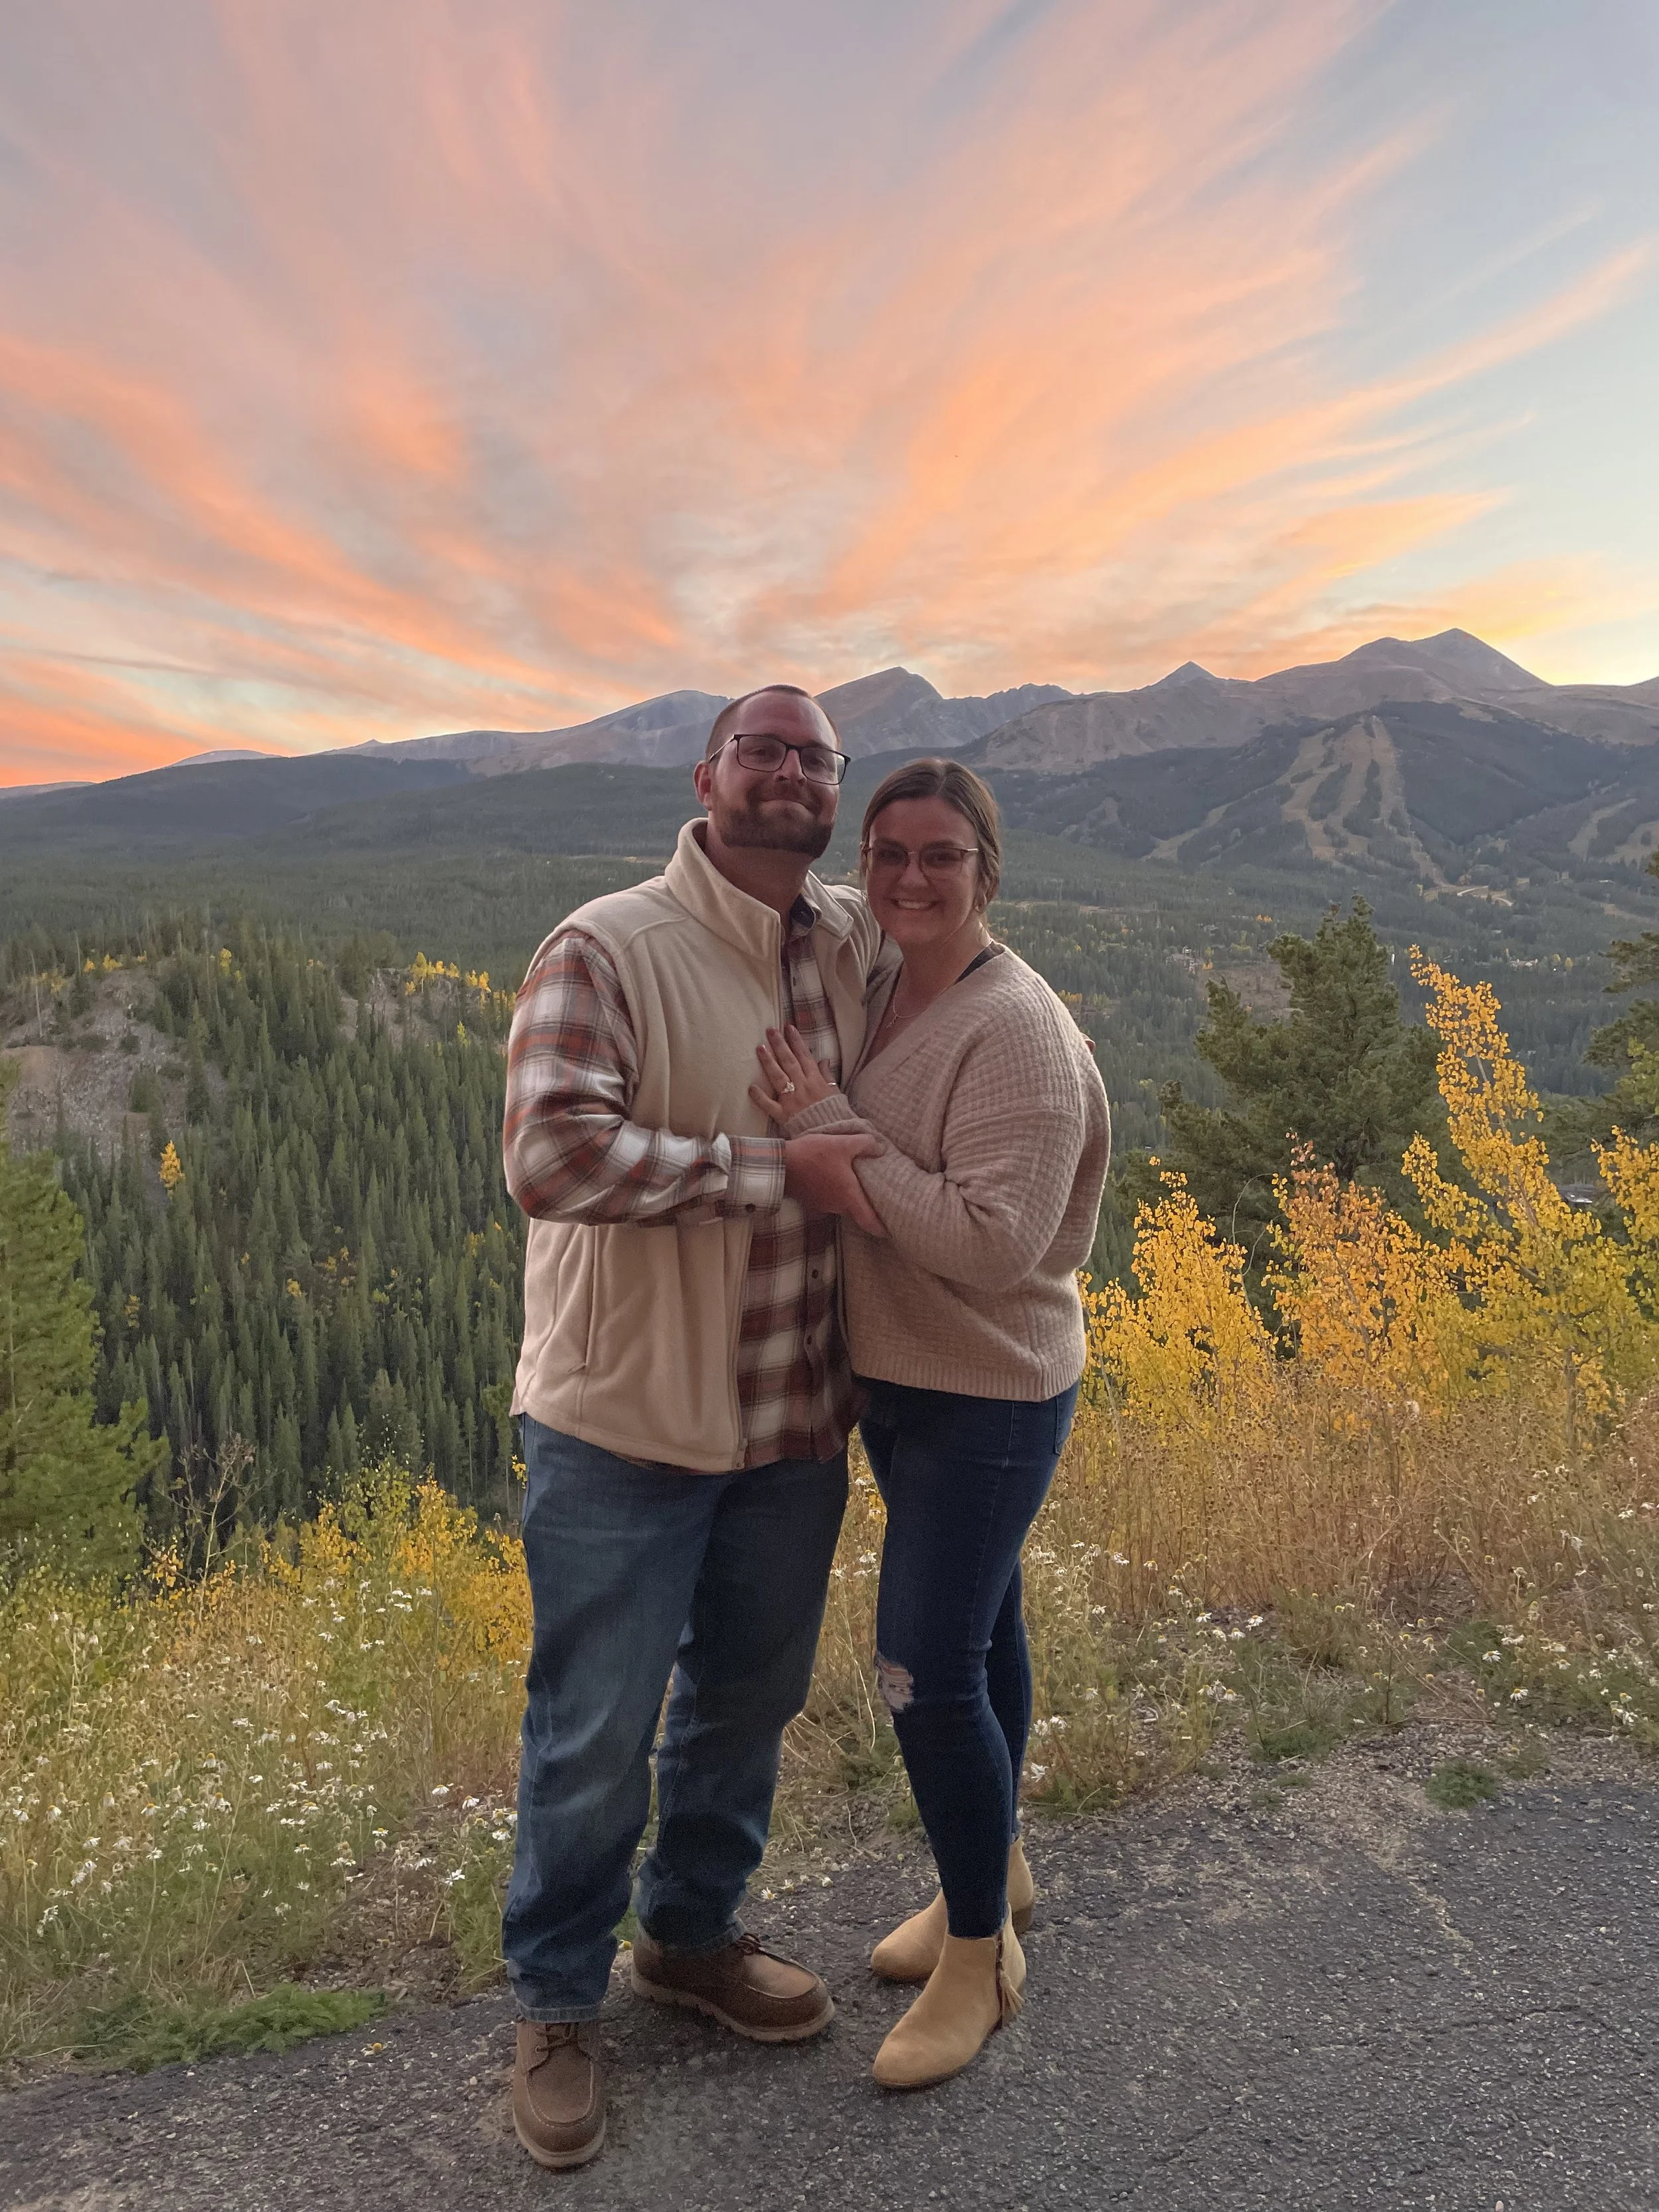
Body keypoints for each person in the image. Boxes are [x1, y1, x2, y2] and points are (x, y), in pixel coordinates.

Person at [499, 684, 887, 2170]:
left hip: (794, 1418)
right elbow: (551, 1153)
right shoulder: (607, 944)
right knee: (594, 1732)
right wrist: (772, 1168)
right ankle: (553, 2000)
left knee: (744, 1701)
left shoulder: (846, 937)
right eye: (762, 748)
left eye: (813, 757)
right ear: (706, 773)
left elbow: (956, 936)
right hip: (627, 1422)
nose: (789, 771)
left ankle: (691, 1935)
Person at [751, 757, 1110, 2091]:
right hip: (902, 1380)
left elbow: (990, 1236)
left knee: (921, 1666)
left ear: (985, 869)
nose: (906, 877)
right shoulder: (882, 975)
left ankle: (979, 1961)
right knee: (982, 1628)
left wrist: (827, 1131)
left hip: (989, 1388)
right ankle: (997, 1870)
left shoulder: (1008, 1024)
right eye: (884, 851)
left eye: (938, 856)